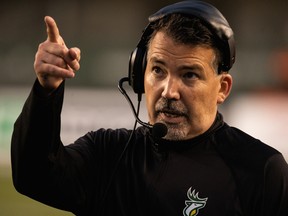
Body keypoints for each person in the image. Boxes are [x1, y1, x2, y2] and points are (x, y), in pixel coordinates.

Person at [11, 1, 288, 216]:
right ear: (138, 75)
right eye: (158, 69)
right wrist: (46, 91)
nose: (169, 91)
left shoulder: (262, 171)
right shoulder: (108, 154)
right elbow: (33, 176)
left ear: (222, 88)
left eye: (189, 74)